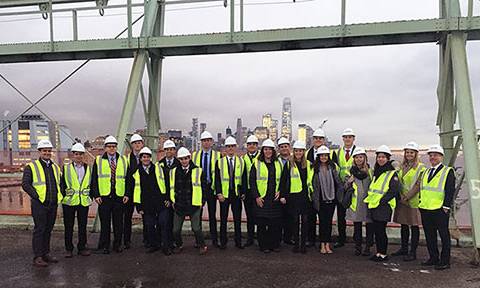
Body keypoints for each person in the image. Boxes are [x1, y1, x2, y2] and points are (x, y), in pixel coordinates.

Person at [22, 139, 63, 267]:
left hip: (52, 203)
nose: (47, 153)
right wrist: (37, 196)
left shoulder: (55, 167)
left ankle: (46, 253)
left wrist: (59, 196)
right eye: (44, 151)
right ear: (39, 152)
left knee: (48, 229)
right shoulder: (31, 167)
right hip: (39, 204)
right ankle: (38, 256)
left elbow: (60, 184)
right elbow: (25, 184)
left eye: (49, 151)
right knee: (40, 229)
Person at [419, 145, 455, 270]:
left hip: (440, 209)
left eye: (435, 155)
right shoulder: (426, 172)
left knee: (444, 235)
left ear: (441, 157)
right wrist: (420, 203)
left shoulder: (447, 171)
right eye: (431, 155)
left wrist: (446, 206)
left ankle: (445, 261)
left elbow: (450, 190)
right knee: (430, 235)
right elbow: (422, 189)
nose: (433, 157)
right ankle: (433, 257)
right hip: (426, 208)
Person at [90, 135, 129, 254]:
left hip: (119, 196)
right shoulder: (98, 160)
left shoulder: (123, 160)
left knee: (118, 223)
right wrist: (96, 195)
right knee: (105, 223)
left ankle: (117, 245)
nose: (112, 149)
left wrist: (127, 194)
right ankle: (104, 246)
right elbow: (94, 179)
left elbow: (128, 179)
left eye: (114, 146)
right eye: (109, 146)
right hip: (104, 197)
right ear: (105, 148)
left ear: (116, 147)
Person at [131, 147, 172, 255]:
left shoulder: (159, 169)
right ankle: (154, 245)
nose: (146, 159)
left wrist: (168, 198)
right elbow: (135, 189)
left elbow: (167, 184)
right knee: (149, 225)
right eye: (144, 157)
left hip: (160, 202)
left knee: (163, 223)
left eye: (148, 157)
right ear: (140, 158)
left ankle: (165, 246)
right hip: (146, 204)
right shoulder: (136, 173)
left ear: (151, 158)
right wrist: (138, 206)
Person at [364, 145, 400, 262]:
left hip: (383, 206)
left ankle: (383, 253)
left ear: (388, 158)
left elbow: (393, 191)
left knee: (381, 231)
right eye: (379, 157)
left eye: (383, 157)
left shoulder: (391, 173)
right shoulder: (377, 172)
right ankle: (379, 252)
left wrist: (381, 201)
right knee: (377, 230)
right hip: (374, 205)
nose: (380, 159)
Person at [170, 147, 208, 255]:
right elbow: (172, 187)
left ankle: (202, 245)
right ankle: (179, 244)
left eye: (186, 158)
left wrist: (202, 201)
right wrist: (173, 201)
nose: (184, 161)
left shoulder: (198, 171)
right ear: (179, 159)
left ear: (189, 158)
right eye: (181, 159)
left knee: (196, 228)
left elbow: (203, 187)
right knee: (175, 230)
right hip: (179, 204)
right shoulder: (173, 172)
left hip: (194, 204)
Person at [392, 141, 426, 261]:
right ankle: (404, 248)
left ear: (416, 154)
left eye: (411, 152)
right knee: (404, 225)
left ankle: (413, 252)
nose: (409, 154)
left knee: (414, 226)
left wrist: (406, 197)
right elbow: (399, 181)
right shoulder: (402, 166)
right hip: (402, 200)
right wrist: (401, 196)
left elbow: (418, 185)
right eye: (407, 152)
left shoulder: (421, 168)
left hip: (413, 201)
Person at [250, 139, 284, 253]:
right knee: (262, 224)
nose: (268, 151)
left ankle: (274, 244)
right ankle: (263, 245)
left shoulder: (278, 163)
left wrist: (280, 191)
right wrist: (257, 197)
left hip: (274, 198)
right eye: (266, 149)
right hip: (262, 198)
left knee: (274, 224)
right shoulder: (256, 163)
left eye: (270, 149)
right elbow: (252, 181)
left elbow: (283, 180)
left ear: (273, 151)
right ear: (262, 150)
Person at [280, 140, 312, 253]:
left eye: (301, 151)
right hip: (293, 196)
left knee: (305, 221)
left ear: (304, 152)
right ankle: (296, 244)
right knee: (294, 221)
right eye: (297, 151)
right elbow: (283, 181)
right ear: (294, 151)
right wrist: (283, 195)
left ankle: (303, 245)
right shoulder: (289, 164)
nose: (299, 153)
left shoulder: (308, 164)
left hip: (305, 196)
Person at [61, 143, 92, 258]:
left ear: (83, 155)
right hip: (69, 202)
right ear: (73, 155)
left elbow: (91, 183)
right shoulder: (66, 168)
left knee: (82, 226)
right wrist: (63, 196)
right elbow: (62, 183)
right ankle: (68, 249)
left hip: (83, 202)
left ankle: (82, 247)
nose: (78, 156)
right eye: (76, 154)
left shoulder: (88, 168)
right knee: (68, 227)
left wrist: (91, 197)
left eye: (80, 154)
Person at [311, 145, 343, 254]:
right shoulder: (314, 169)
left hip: (331, 199)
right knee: (322, 222)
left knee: (328, 222)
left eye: (325, 155)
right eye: (321, 155)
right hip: (320, 199)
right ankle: (322, 244)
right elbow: (314, 186)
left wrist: (340, 195)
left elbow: (338, 182)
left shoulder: (333, 167)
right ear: (318, 156)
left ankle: (327, 244)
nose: (323, 157)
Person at [215, 136, 245, 249]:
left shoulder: (241, 161)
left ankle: (238, 242)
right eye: (228, 146)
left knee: (237, 219)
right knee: (223, 219)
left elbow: (243, 178)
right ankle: (223, 242)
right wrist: (219, 193)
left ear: (236, 147)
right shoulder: (220, 162)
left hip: (236, 195)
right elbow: (217, 179)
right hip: (224, 195)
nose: (231, 148)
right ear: (225, 148)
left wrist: (242, 193)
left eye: (232, 146)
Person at [192, 131, 221, 247]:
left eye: (208, 140)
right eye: (204, 141)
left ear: (212, 142)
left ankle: (214, 240)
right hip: (199, 188)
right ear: (201, 142)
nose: (206, 143)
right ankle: (198, 241)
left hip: (211, 187)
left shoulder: (218, 155)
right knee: (197, 215)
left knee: (212, 215)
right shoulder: (194, 156)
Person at [344, 147, 374, 256]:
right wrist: (349, 182)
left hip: (368, 202)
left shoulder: (370, 171)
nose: (358, 159)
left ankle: (368, 246)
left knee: (369, 225)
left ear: (364, 158)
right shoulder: (350, 171)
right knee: (357, 226)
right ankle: (358, 246)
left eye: (360, 157)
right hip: (356, 203)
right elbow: (345, 187)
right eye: (356, 157)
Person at [331, 128, 357, 248]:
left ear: (353, 138)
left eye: (350, 137)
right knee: (341, 215)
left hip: (354, 186)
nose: (347, 139)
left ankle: (358, 241)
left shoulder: (358, 152)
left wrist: (353, 178)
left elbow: (363, 167)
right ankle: (341, 239)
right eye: (345, 137)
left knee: (357, 214)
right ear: (343, 138)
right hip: (340, 187)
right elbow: (334, 168)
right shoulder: (337, 153)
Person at [305, 128, 326, 247]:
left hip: (324, 191)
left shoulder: (329, 153)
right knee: (310, 216)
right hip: (311, 190)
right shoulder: (307, 153)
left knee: (323, 217)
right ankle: (310, 239)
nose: (318, 140)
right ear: (313, 140)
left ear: (324, 140)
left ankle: (323, 241)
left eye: (320, 138)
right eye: (316, 138)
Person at [158, 139, 179, 251]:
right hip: (165, 199)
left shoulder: (179, 164)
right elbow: (159, 184)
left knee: (175, 223)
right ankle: (166, 243)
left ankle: (174, 242)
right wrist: (166, 198)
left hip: (176, 199)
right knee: (165, 222)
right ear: (164, 151)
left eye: (171, 149)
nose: (169, 151)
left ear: (174, 151)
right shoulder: (159, 165)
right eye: (167, 149)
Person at [124, 133, 144, 249]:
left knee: (146, 216)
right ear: (131, 145)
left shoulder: (146, 157)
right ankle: (126, 240)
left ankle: (147, 240)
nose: (137, 145)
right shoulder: (126, 160)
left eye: (139, 143)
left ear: (142, 144)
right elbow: (126, 178)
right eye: (135, 143)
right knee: (127, 217)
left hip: (143, 193)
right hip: (130, 193)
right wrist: (126, 193)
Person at [242, 135, 259, 247]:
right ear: (246, 146)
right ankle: (250, 238)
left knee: (261, 215)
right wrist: (242, 192)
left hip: (259, 191)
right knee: (249, 216)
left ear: (257, 146)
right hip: (248, 191)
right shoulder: (243, 159)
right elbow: (241, 177)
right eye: (249, 144)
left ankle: (262, 237)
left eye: (254, 144)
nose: (251, 146)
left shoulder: (261, 158)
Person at [277, 137, 293, 245]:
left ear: (289, 147)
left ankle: (288, 238)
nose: (284, 149)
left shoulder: (294, 160)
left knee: (290, 217)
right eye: (281, 147)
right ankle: (278, 239)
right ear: (278, 149)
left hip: (291, 192)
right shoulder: (275, 161)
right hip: (277, 193)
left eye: (285, 146)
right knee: (278, 217)